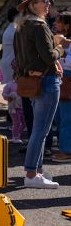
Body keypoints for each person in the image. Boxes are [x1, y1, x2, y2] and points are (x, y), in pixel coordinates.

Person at [13, 0, 65, 189]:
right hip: (46, 82)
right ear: (32, 6)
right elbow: (49, 56)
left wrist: (31, 70)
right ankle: (32, 173)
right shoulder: (39, 26)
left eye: (47, 0)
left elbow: (19, 60)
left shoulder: (21, 26)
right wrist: (59, 46)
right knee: (40, 131)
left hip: (32, 82)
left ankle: (37, 170)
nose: (48, 4)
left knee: (38, 129)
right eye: (43, 1)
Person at [52, 13, 71, 163]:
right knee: (60, 117)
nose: (56, 24)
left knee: (66, 118)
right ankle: (64, 148)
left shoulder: (67, 42)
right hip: (63, 79)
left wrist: (59, 55)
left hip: (68, 80)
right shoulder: (60, 40)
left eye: (59, 22)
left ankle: (67, 151)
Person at [2, 80, 26, 144]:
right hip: (13, 108)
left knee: (24, 123)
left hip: (23, 107)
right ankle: (15, 137)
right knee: (16, 123)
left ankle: (17, 135)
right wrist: (7, 97)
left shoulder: (24, 83)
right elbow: (4, 93)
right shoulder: (9, 85)